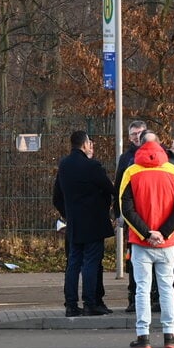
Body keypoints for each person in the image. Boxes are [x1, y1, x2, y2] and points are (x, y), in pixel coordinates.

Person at [119, 135, 174, 348]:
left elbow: (126, 208)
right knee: (167, 287)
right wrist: (164, 232)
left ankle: (143, 335)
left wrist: (146, 233)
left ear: (140, 145)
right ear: (161, 146)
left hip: (140, 242)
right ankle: (170, 334)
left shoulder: (131, 172)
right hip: (167, 243)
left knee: (142, 288)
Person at [53, 130, 115, 317]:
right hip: (94, 222)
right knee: (91, 263)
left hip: (74, 223)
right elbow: (109, 188)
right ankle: (90, 302)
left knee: (73, 263)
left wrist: (68, 214)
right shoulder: (92, 167)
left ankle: (71, 304)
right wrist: (105, 207)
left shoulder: (64, 166)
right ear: (85, 144)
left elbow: (57, 197)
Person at [114, 120, 147, 312]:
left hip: (153, 215)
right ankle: (133, 296)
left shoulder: (160, 155)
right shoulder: (126, 159)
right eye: (134, 134)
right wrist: (118, 212)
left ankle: (155, 296)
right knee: (134, 259)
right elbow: (119, 186)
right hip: (132, 216)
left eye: (140, 133)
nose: (137, 137)